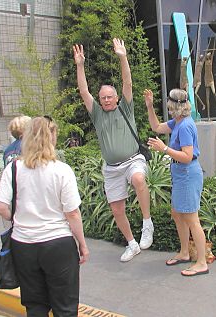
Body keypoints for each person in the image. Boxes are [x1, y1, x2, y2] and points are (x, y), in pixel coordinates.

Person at [0, 116, 89, 317]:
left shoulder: (14, 169)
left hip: (24, 245)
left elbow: (1, 206)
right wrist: (82, 243)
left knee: (35, 306)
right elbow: (72, 212)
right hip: (58, 244)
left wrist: (18, 217)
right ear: (51, 137)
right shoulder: (61, 170)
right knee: (65, 307)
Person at [73, 38, 154, 262]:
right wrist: (80, 65)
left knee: (138, 179)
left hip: (133, 160)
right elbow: (83, 91)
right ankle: (132, 243)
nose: (107, 100)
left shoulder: (125, 108)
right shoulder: (97, 114)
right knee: (117, 209)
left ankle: (147, 225)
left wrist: (122, 56)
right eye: (103, 98)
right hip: (111, 168)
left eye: (110, 97)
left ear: (116, 98)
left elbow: (127, 82)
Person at [144, 88, 208, 277]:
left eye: (169, 105)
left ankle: (202, 262)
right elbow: (156, 127)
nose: (168, 108)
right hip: (180, 174)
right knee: (178, 214)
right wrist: (149, 106)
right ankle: (184, 253)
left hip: (187, 174)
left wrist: (164, 149)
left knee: (191, 218)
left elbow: (188, 156)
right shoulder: (177, 122)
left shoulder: (186, 126)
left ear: (174, 106)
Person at [204, 50, 216, 120]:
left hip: (211, 80)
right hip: (206, 80)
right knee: (207, 98)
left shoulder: (211, 61)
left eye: (208, 55)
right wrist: (207, 51)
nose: (207, 56)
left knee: (214, 93)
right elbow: (205, 55)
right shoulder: (205, 61)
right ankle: (208, 116)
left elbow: (212, 53)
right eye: (207, 55)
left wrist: (212, 49)